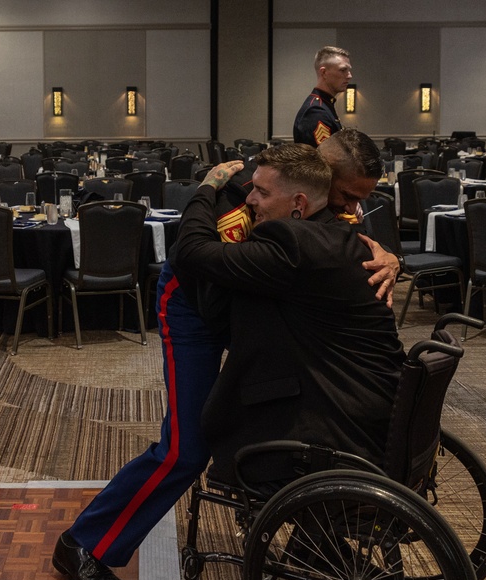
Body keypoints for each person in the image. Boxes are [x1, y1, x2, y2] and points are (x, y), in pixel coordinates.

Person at [52, 132, 396, 580]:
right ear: (317, 176)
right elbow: (199, 262)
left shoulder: (322, 195)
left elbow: (348, 242)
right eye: (348, 196)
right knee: (187, 447)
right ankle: (84, 544)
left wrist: (390, 257)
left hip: (258, 301)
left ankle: (316, 540)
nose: (354, 208)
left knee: (311, 416)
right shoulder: (248, 194)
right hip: (197, 304)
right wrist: (205, 188)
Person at [173, 150, 405, 492]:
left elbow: (191, 252)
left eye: (262, 193)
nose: (350, 209)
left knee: (204, 435)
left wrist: (205, 189)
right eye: (347, 196)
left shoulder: (291, 242)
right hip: (383, 407)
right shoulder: (350, 243)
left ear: (299, 202)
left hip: (340, 423)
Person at [293, 46, 352, 147]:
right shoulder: (316, 111)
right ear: (324, 72)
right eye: (343, 70)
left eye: (349, 70)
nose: (349, 75)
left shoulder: (324, 104)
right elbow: (325, 159)